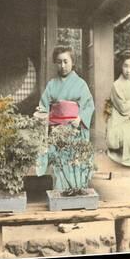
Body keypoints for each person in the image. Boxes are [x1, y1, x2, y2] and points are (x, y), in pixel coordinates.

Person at [35, 47, 95, 190]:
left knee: (75, 156)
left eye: (66, 62)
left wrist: (80, 118)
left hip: (75, 131)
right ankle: (61, 191)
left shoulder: (81, 84)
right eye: (59, 62)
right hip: (56, 132)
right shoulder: (52, 84)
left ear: (72, 62)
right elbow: (43, 107)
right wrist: (42, 116)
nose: (62, 66)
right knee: (56, 155)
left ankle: (76, 189)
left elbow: (89, 106)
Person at [105, 49, 130, 167]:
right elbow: (124, 109)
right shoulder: (116, 85)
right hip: (116, 124)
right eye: (125, 66)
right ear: (121, 67)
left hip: (129, 123)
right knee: (127, 135)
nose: (128, 70)